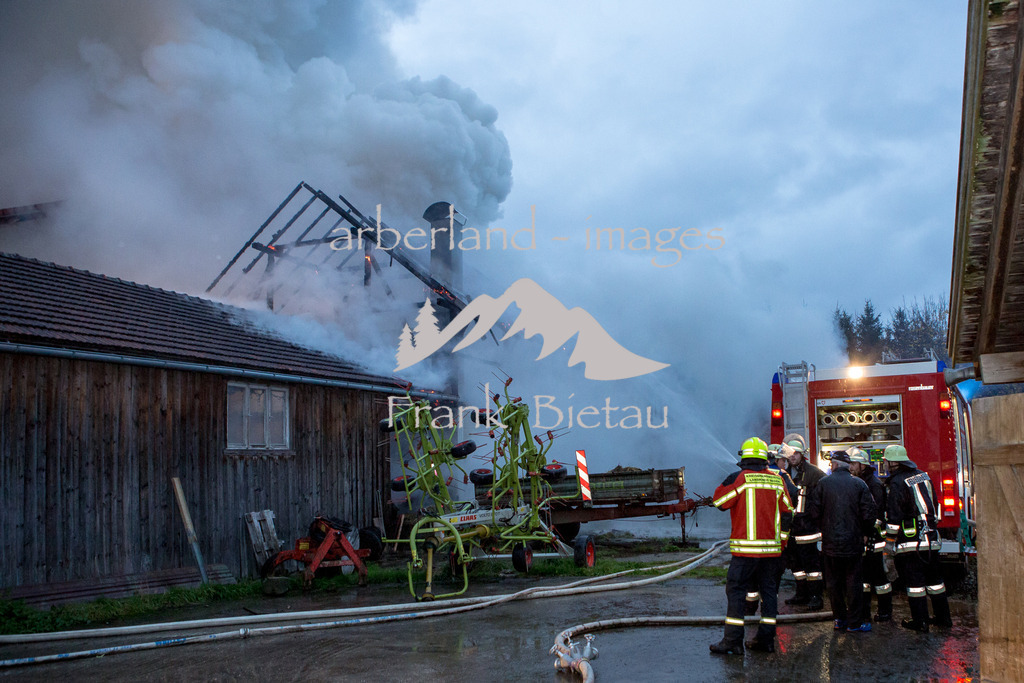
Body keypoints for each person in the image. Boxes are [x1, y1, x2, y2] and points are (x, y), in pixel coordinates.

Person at [710, 437, 794, 655]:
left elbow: (719, 502)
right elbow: (788, 513)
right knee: (769, 595)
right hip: (772, 553)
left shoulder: (740, 478)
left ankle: (732, 642)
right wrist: (782, 541)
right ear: (766, 458)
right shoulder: (777, 480)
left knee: (736, 593)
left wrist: (728, 481)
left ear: (744, 458)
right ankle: (766, 641)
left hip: (745, 553)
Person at [882, 444, 952, 633]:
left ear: (892, 462)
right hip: (931, 538)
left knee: (915, 585)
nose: (885, 464)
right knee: (936, 582)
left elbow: (894, 515)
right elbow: (934, 502)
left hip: (911, 542)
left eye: (886, 461)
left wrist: (889, 542)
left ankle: (920, 622)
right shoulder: (923, 475)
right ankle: (943, 619)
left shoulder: (896, 482)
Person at [808, 450, 877, 632]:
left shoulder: (823, 484)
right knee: (854, 583)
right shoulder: (860, 484)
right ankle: (855, 623)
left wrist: (824, 528)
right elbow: (869, 513)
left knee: (834, 583)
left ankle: (839, 619)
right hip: (853, 543)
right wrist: (865, 532)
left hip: (830, 544)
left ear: (835, 464)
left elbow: (813, 512)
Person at [744, 444, 800, 617]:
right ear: (776, 460)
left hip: (751, 538)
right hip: (773, 538)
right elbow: (793, 497)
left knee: (751, 577)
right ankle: (769, 610)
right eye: (783, 460)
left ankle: (749, 609)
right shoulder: (781, 476)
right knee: (771, 578)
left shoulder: (748, 475)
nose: (785, 463)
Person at [847, 446, 893, 622]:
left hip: (874, 539)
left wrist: (868, 532)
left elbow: (877, 513)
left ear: (863, 465)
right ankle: (864, 611)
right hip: (862, 537)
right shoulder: (857, 482)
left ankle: (885, 611)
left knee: (879, 577)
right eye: (850, 464)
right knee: (863, 578)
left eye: (854, 464)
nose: (851, 467)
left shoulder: (874, 485)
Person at [781, 434, 825, 610]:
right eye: (790, 454)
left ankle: (816, 597)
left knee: (812, 565)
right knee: (796, 565)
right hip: (792, 528)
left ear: (802, 454)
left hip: (807, 529)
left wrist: (812, 516)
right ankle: (801, 594)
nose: (793, 457)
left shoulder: (814, 473)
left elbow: (821, 499)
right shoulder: (784, 473)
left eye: (796, 453)